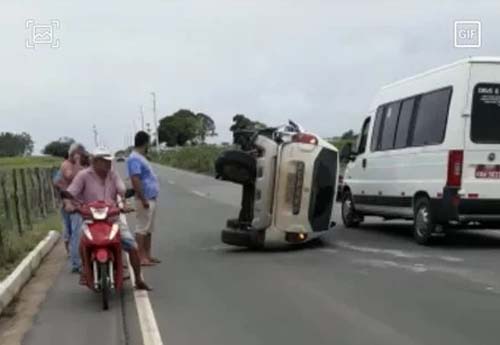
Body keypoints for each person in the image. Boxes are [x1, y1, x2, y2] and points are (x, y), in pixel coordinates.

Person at [65, 147, 151, 290]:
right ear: (96, 161)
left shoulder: (113, 175)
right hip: (91, 220)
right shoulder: (83, 175)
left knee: (132, 246)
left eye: (109, 161)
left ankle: (138, 279)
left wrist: (123, 202)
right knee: (82, 243)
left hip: (112, 219)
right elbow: (71, 193)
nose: (109, 164)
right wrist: (69, 204)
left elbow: (121, 190)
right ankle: (85, 271)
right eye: (105, 161)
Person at [126, 131, 161, 266]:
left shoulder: (141, 157)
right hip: (144, 198)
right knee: (142, 228)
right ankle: (140, 257)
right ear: (145, 142)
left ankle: (148, 255)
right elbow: (135, 178)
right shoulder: (134, 158)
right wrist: (143, 198)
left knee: (148, 229)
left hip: (151, 197)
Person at [56, 143, 86, 272]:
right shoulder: (67, 165)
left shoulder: (74, 165)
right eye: (78, 154)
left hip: (78, 203)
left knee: (78, 232)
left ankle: (82, 260)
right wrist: (78, 162)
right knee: (76, 234)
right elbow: (71, 176)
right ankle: (76, 263)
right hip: (71, 205)